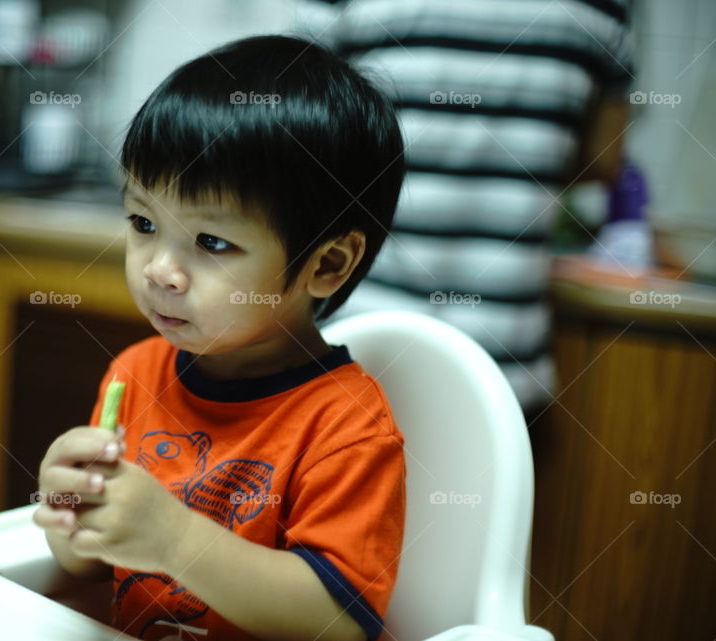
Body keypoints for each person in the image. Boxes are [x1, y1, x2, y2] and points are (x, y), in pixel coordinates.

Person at [33, 35, 407, 641]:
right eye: (143, 223)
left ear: (328, 264)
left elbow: (338, 622)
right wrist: (69, 512)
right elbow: (89, 565)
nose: (158, 269)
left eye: (212, 243)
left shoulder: (348, 426)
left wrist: (176, 540)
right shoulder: (134, 374)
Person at [300, 0, 634, 413]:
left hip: (356, 335)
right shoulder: (605, 9)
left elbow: (296, 126)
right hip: (501, 354)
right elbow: (604, 159)